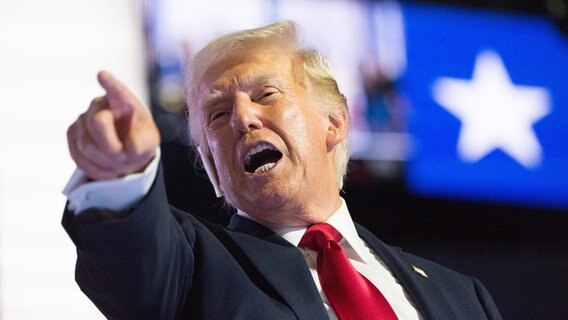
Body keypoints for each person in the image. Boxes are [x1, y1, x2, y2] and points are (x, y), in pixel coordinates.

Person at [63, 21, 501, 319]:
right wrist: (121, 175)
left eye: (266, 94)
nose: (242, 118)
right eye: (217, 115)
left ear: (334, 122)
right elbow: (131, 266)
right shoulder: (191, 268)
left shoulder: (464, 298)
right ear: (212, 165)